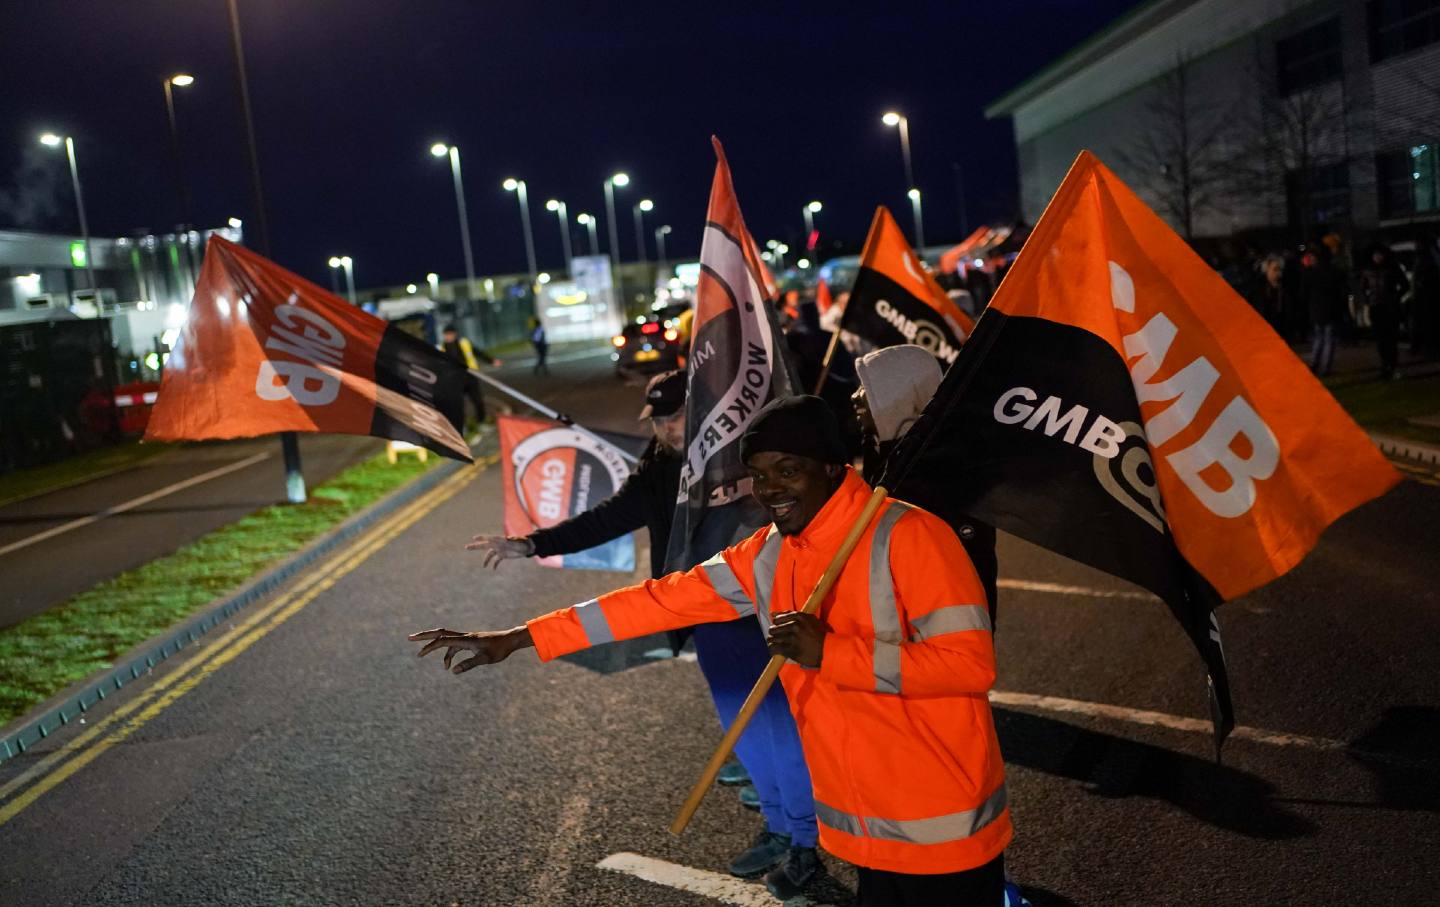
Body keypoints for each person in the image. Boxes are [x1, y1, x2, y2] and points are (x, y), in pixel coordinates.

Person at [413, 396, 1011, 906]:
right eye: (760, 472)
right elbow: (656, 602)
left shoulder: (911, 537)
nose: (770, 488)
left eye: (789, 469)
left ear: (833, 467)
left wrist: (832, 653)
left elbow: (970, 666)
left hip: (943, 828)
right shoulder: (768, 553)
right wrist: (522, 636)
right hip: (865, 829)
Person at [464, 371, 820, 894]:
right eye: (657, 420)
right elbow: (610, 517)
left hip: (761, 612)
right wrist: (532, 544)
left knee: (780, 730)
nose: (666, 429)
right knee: (745, 732)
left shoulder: (741, 453)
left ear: (700, 412)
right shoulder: (658, 464)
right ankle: (778, 829)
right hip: (703, 611)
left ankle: (807, 845)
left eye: (673, 417)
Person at [851, 345, 998, 624]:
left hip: (941, 637)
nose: (855, 397)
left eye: (868, 386)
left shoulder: (939, 471)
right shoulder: (896, 458)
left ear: (899, 394)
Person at [1359, 245, 1409, 381]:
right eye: (1376, 255)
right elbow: (1362, 288)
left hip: (1390, 308)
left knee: (1391, 338)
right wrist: (1367, 301)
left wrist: (1395, 296)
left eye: (1380, 255)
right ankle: (1385, 365)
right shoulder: (1367, 271)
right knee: (1381, 339)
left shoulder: (1392, 269)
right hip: (1376, 308)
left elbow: (1405, 285)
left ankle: (1391, 365)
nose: (1378, 258)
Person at [440, 324, 500, 427]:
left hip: (470, 376)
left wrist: (491, 360)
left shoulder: (464, 343)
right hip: (455, 380)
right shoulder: (442, 348)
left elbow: (477, 352)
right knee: (458, 404)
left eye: (449, 334)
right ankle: (463, 425)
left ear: (454, 334)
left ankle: (481, 421)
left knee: (478, 400)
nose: (448, 337)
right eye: (446, 335)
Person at [1300, 245, 1346, 378]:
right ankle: (1325, 367)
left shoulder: (1309, 273)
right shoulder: (1334, 272)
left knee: (1319, 338)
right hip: (1331, 309)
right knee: (1329, 339)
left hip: (1316, 309)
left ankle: (1315, 364)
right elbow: (1341, 291)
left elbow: (1303, 294)